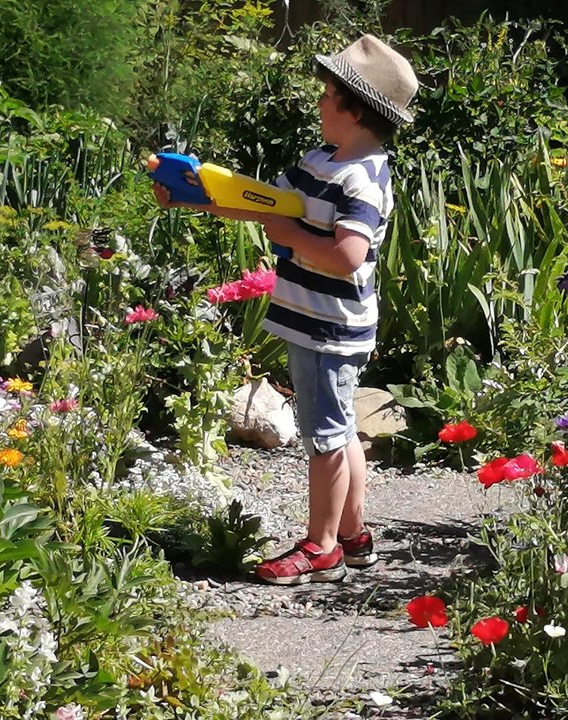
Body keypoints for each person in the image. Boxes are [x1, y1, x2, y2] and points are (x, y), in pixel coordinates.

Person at [154, 34, 417, 585]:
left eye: (328, 93)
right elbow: (256, 200)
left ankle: (320, 547)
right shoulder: (319, 162)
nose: (319, 100)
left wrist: (290, 234)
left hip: (330, 327)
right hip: (319, 321)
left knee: (322, 436)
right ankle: (353, 535)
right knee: (340, 429)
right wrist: (189, 193)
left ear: (355, 108)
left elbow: (349, 255)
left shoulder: (362, 178)